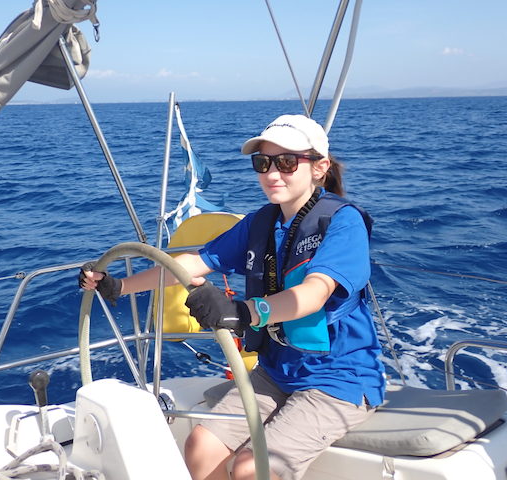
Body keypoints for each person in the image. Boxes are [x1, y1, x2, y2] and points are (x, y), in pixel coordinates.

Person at [79, 114, 385, 480]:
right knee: (199, 448)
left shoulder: (343, 223)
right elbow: (192, 264)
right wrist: (119, 286)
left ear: (319, 168)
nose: (273, 173)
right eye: (263, 163)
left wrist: (244, 311)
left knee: (250, 469)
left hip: (339, 379)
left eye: (287, 162)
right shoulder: (260, 223)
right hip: (276, 372)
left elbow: (313, 294)